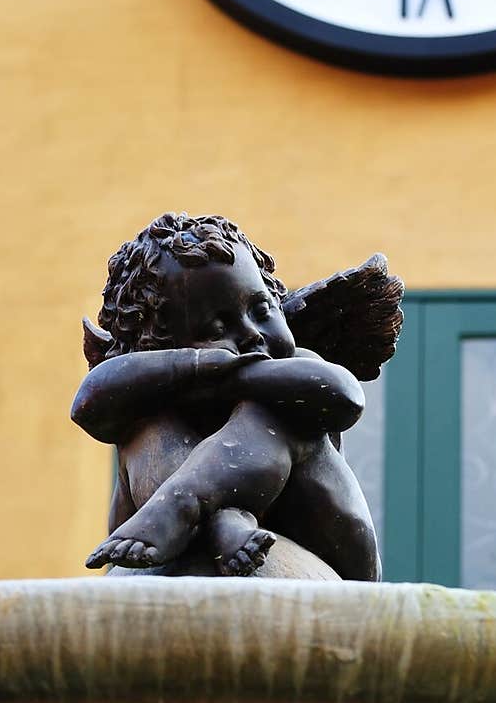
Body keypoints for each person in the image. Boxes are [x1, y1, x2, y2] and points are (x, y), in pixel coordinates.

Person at [72, 212, 400, 580]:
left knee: (274, 410)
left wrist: (230, 375)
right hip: (211, 541)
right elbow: (87, 404)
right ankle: (222, 520)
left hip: (333, 549)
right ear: (163, 350)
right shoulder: (156, 399)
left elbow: (345, 396)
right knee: (143, 428)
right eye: (216, 327)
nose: (251, 335)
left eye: (262, 310)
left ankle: (185, 502)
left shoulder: (292, 369)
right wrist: (198, 366)